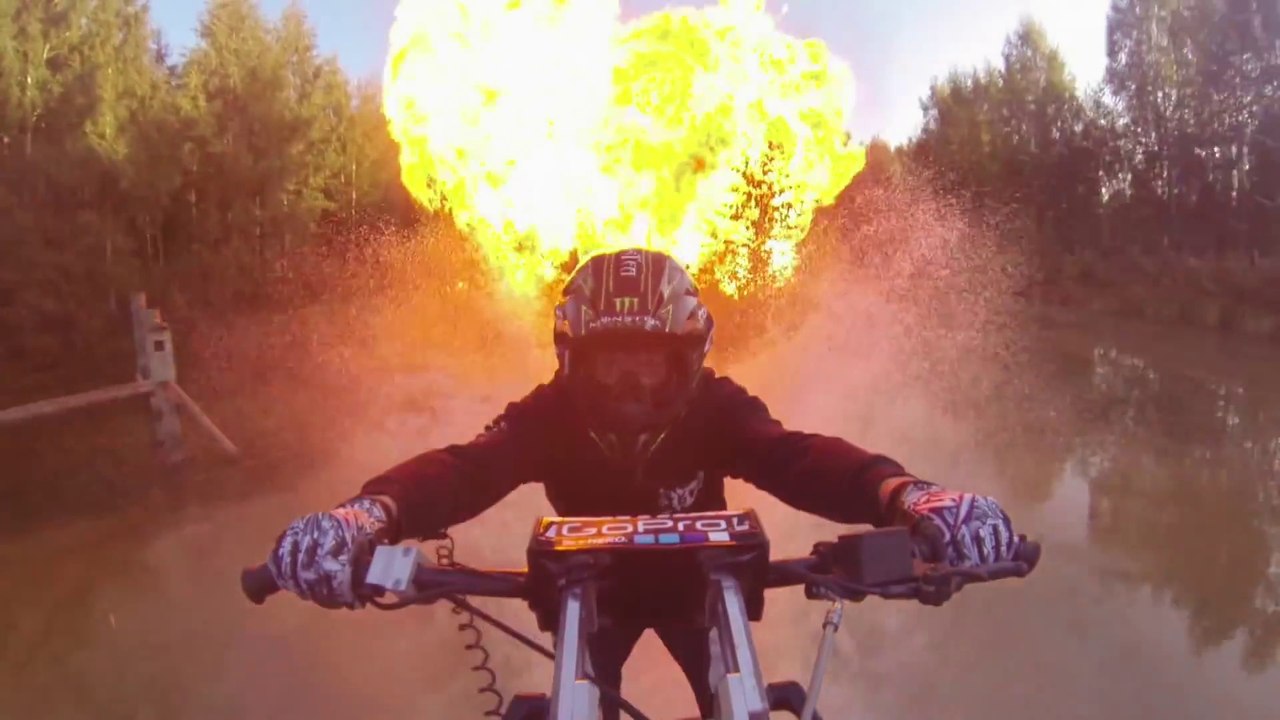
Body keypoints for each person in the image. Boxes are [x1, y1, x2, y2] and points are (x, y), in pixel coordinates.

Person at [263, 247, 1022, 719]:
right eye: (608, 360)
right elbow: (467, 468)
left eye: (650, 360)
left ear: (688, 356)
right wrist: (365, 515)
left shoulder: (717, 405)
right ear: (571, 357)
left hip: (700, 591)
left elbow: (795, 457)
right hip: (590, 595)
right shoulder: (547, 413)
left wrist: (909, 495)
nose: (629, 382)